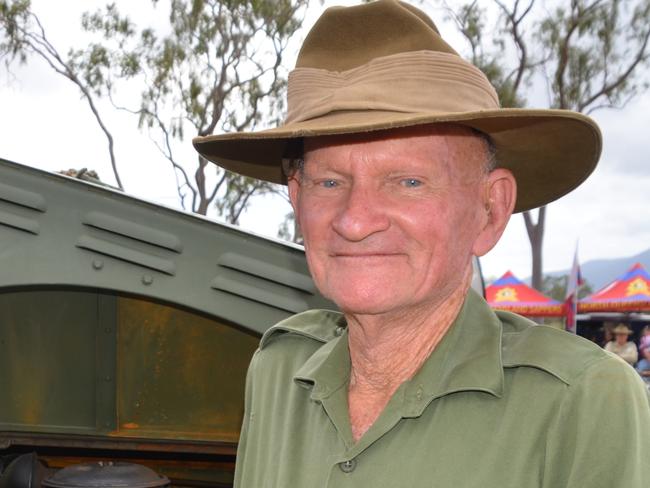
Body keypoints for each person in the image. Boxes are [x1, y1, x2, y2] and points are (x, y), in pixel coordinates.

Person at [193, 1, 650, 486]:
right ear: (296, 199)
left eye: (407, 181)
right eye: (329, 182)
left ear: (490, 210)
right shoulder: (277, 372)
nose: (354, 221)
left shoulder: (581, 403)